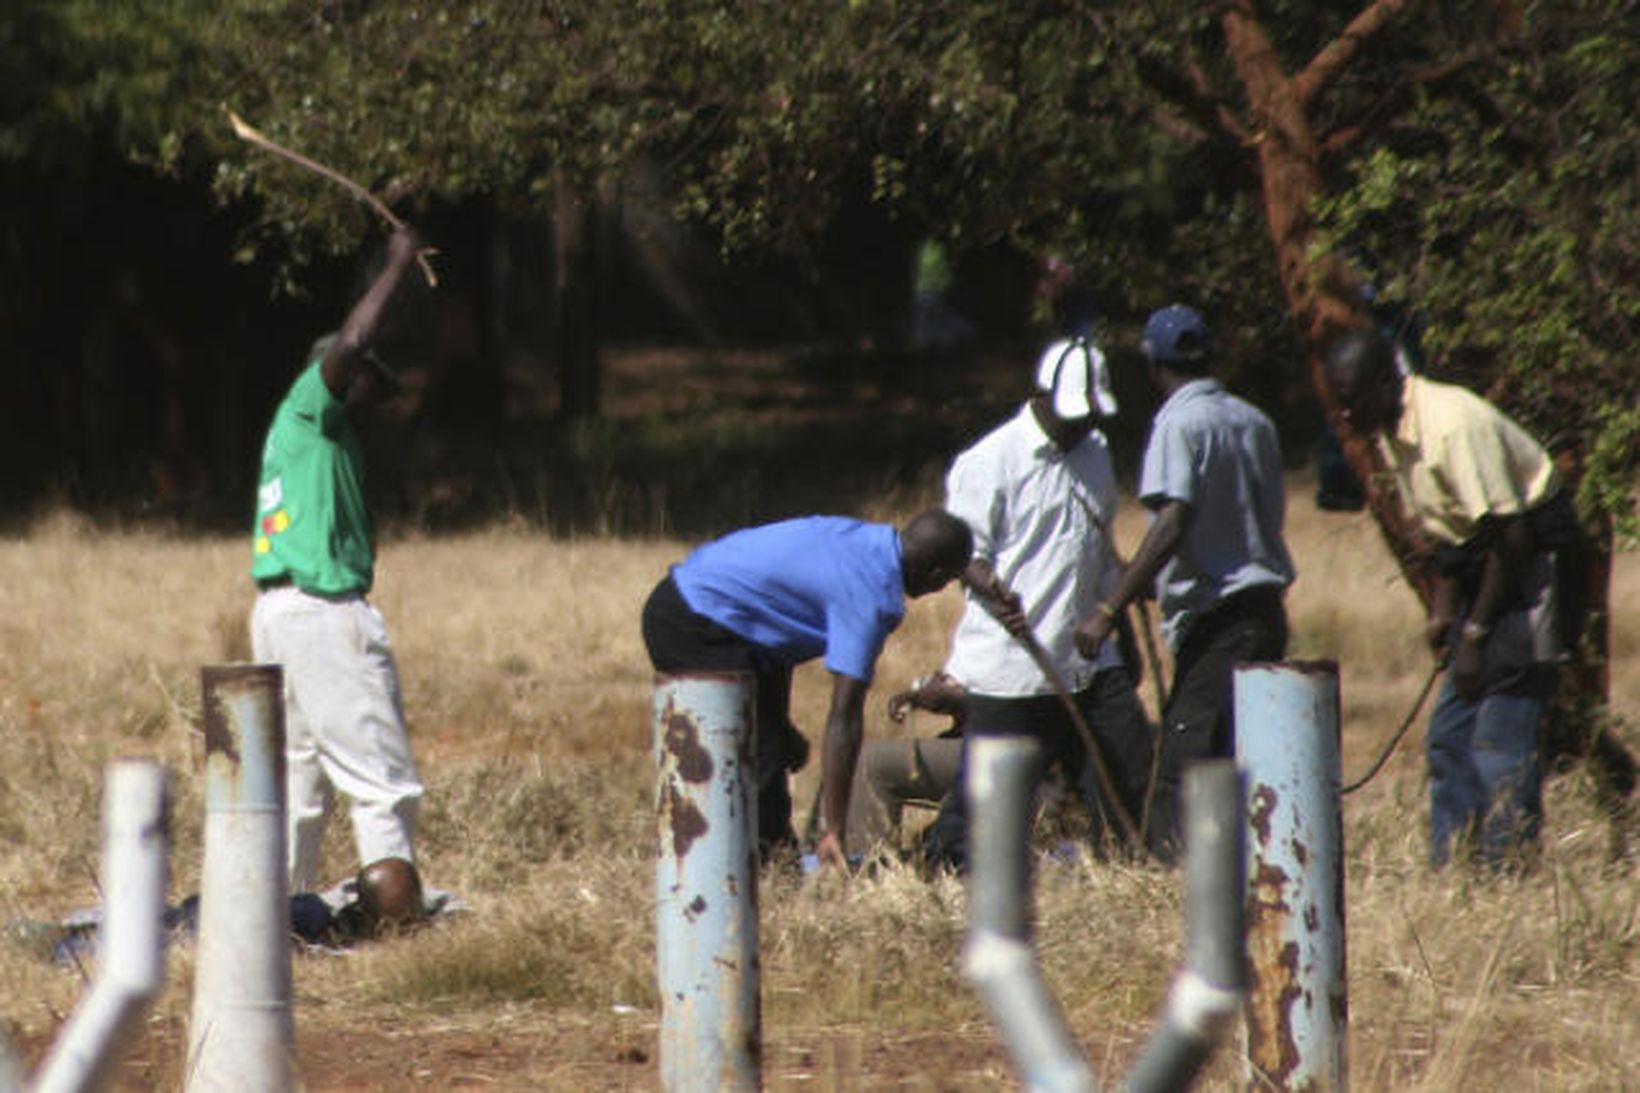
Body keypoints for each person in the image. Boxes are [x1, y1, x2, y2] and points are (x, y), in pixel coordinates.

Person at [1324, 328, 1593, 868]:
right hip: (1489, 566)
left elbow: (1514, 536)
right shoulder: (1391, 432)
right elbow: (1450, 539)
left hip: (1537, 564)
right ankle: (1454, 868)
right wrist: (1446, 613)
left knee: (1500, 736)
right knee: (1450, 735)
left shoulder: (1450, 425)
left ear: (1383, 381)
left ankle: (1508, 870)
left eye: (1351, 399)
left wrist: (1476, 633)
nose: (1345, 414)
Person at [921, 335, 1157, 870]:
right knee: (988, 799)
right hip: (1014, 667)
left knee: (1129, 764)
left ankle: (1128, 868)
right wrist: (990, 587)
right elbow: (964, 553)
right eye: (1074, 414)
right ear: (1042, 394)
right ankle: (941, 871)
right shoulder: (990, 461)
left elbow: (1096, 549)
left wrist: (1119, 626)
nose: (1083, 426)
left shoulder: (1096, 454)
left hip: (1087, 660)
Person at [1077, 304, 1294, 862]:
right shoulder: (1255, 421)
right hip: (1265, 612)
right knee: (1243, 756)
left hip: (1217, 620)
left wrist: (1109, 607)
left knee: (1185, 763)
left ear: (1152, 363)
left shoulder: (1178, 423)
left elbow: (1174, 520)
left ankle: (1172, 877)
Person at [249, 224, 429, 895]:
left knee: (299, 783)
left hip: (277, 613)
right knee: (384, 781)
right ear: (342, 377)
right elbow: (354, 339)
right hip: (323, 613)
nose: (374, 401)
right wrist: (397, 265)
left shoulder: (319, 444)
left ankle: (283, 918)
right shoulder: (308, 409)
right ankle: (400, 927)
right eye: (369, 386)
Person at [641, 509, 973, 870]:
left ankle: (773, 863)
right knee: (758, 758)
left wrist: (781, 726)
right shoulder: (870, 595)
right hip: (696, 620)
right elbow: (844, 716)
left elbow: (776, 610)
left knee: (775, 748)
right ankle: (769, 872)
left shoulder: (868, 542)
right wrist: (834, 828)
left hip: (726, 619)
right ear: (936, 576)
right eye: (949, 581)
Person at [843, 671, 968, 858]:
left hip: (1007, 751)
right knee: (837, 760)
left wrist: (940, 696)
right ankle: (822, 856)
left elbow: (1009, 700)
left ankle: (867, 871)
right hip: (984, 745)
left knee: (871, 761)